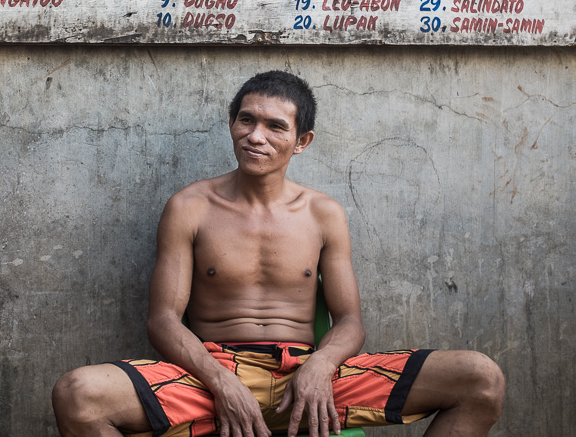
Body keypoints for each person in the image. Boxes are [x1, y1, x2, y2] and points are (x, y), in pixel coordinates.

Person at [52, 71, 505, 437]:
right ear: (232, 125)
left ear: (301, 140)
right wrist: (221, 382)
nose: (256, 136)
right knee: (78, 394)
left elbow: (350, 321)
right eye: (246, 120)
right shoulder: (190, 207)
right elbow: (163, 320)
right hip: (211, 377)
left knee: (479, 378)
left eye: (275, 126)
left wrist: (321, 366)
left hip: (311, 378)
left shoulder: (323, 213)